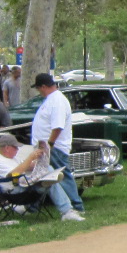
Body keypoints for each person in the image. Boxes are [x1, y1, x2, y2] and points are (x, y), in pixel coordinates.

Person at [0, 134, 85, 221]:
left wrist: (41, 158)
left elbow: (29, 166)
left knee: (49, 174)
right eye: (15, 147)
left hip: (24, 185)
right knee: (50, 181)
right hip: (15, 191)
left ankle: (36, 206)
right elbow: (14, 173)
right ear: (7, 148)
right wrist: (30, 158)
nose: (17, 150)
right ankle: (67, 211)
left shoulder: (14, 158)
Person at [29, 72, 83, 216]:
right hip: (46, 146)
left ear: (44, 86)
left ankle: (76, 205)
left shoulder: (57, 101)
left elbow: (58, 126)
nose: (39, 91)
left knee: (61, 175)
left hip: (55, 147)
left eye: (38, 88)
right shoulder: (51, 100)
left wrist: (50, 144)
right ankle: (32, 206)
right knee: (42, 176)